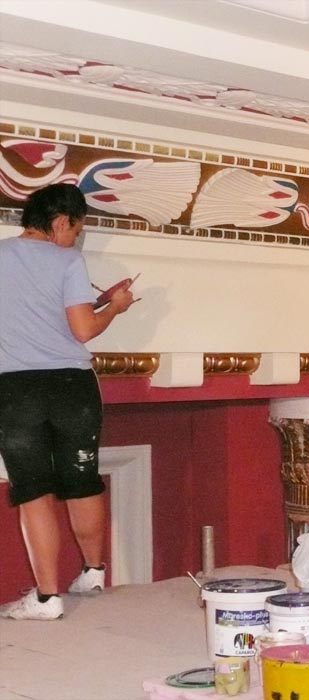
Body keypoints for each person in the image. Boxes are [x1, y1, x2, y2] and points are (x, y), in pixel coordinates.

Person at [0, 183, 135, 620]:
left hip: (16, 390)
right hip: (73, 389)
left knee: (34, 491)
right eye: (76, 231)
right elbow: (82, 329)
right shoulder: (68, 261)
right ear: (60, 222)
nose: (75, 239)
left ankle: (47, 598)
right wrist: (114, 307)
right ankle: (93, 573)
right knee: (82, 479)